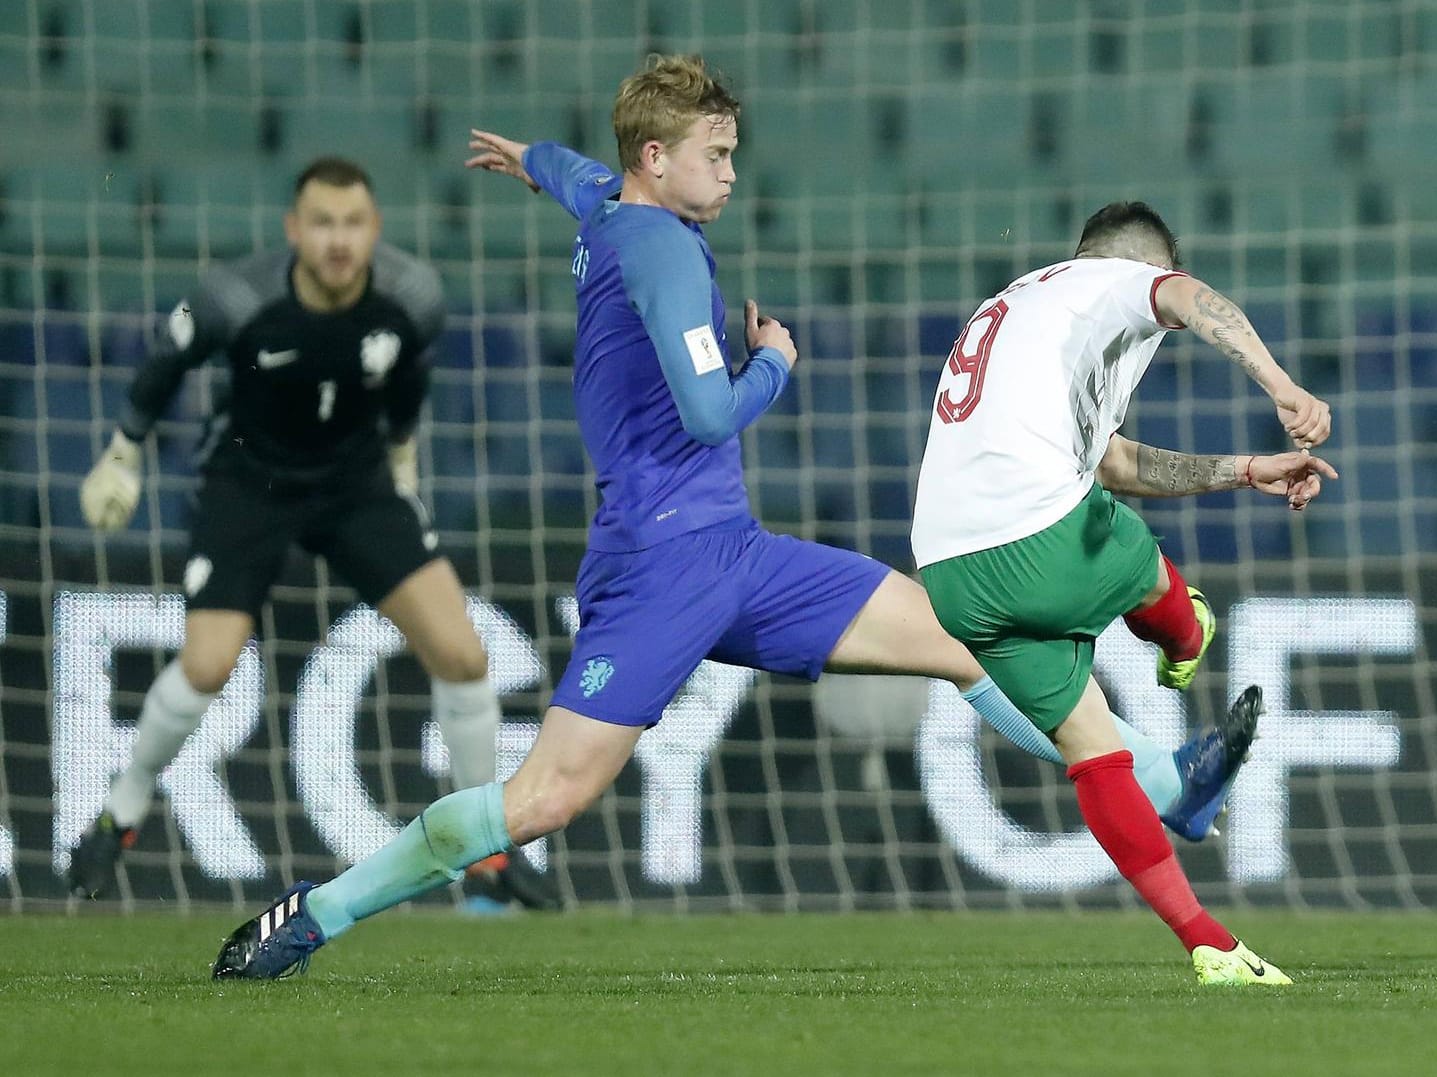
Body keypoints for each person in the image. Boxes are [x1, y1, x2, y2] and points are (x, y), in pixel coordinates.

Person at [210, 55, 1253, 978]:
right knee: (540, 805)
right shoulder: (661, 249)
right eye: (717, 152)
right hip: (660, 566)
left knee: (962, 641)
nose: (733, 172)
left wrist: (532, 155)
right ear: (658, 159)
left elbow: (580, 178)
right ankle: (321, 911)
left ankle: (1168, 784)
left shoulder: (615, 204)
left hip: (738, 556)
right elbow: (711, 410)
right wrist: (775, 365)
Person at [70, 157, 557, 911]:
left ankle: (484, 854)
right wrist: (123, 450)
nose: (339, 241)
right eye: (323, 224)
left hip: (355, 486)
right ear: (295, 230)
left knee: (464, 654)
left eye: (353, 223)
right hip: (248, 484)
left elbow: (406, 380)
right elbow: (167, 361)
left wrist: (400, 456)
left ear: (375, 229)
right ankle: (120, 812)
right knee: (205, 667)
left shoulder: (412, 297)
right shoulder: (237, 298)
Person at [912, 200, 1335, 985]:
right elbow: (1190, 300)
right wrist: (1282, 385)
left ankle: (1208, 942)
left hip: (950, 578)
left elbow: (1113, 461)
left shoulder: (1026, 307)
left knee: (1094, 750)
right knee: (1126, 545)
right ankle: (1186, 635)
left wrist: (1247, 468)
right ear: (1141, 265)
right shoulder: (1114, 284)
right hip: (1032, 542)